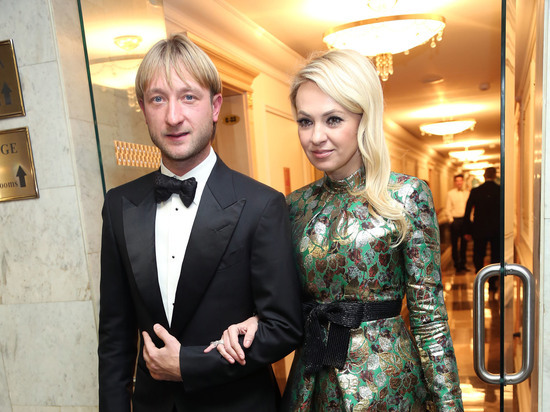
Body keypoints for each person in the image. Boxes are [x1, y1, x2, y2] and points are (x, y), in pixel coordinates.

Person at [207, 49, 463, 410]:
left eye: (333, 119)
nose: (316, 137)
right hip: (310, 383)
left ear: (364, 119)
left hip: (387, 389)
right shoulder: (294, 205)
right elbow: (286, 300)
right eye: (305, 121)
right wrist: (257, 320)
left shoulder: (406, 195)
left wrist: (449, 405)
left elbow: (429, 319)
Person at [98, 33, 303, 412]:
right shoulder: (118, 205)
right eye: (158, 99)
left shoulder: (262, 205)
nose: (173, 116)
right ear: (142, 108)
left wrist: (188, 365)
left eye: (188, 97)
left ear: (215, 106)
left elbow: (284, 326)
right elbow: (115, 336)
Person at [464, 167, 501, 291]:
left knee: (479, 253)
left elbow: (468, 211)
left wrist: (467, 230)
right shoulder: (500, 190)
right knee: (495, 255)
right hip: (496, 228)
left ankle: (480, 277)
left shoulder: (476, 191)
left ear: (484, 176)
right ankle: (493, 282)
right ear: (495, 176)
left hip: (479, 228)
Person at [446, 174, 470, 272]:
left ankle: (463, 263)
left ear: (463, 181)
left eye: (461, 180)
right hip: (455, 220)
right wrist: (451, 220)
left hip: (465, 220)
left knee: (464, 243)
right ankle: (456, 264)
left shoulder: (467, 193)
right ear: (455, 182)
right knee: (454, 243)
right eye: (457, 181)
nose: (459, 182)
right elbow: (448, 208)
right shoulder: (450, 193)